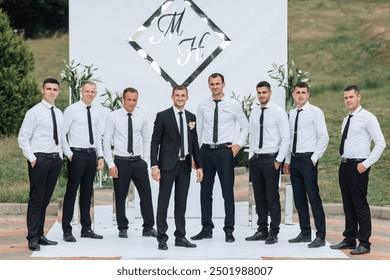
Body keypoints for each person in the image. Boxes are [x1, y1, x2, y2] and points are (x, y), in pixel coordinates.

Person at [191, 73, 248, 243]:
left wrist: (238, 144)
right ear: (209, 85)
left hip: (224, 152)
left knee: (227, 192)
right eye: (212, 84)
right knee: (205, 192)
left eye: (217, 83)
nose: (215, 87)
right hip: (206, 151)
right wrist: (196, 155)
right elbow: (199, 130)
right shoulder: (203, 105)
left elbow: (244, 126)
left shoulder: (233, 105)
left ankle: (229, 230)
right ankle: (206, 228)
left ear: (224, 84)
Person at [330, 85, 386, 255]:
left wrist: (365, 164)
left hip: (358, 167)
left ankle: (364, 242)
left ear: (358, 97)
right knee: (348, 205)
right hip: (345, 165)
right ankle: (349, 239)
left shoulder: (368, 117)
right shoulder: (347, 119)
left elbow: (381, 143)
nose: (348, 100)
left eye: (351, 97)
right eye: (346, 97)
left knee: (359, 204)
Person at [150, 85, 203, 250]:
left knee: (181, 203)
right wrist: (154, 165)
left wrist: (199, 166)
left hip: (185, 165)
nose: (180, 98)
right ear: (172, 97)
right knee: (163, 203)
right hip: (167, 165)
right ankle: (162, 237)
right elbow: (155, 142)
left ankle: (180, 236)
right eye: (177, 95)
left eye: (183, 95)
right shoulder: (162, 116)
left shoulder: (191, 117)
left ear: (187, 97)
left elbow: (194, 143)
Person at [103, 87, 157, 238]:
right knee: (121, 196)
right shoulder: (113, 117)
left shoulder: (142, 116)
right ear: (123, 99)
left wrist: (145, 161)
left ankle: (148, 227)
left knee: (146, 194)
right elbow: (106, 141)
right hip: (121, 162)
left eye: (134, 100)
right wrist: (111, 164)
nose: (132, 103)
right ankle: (122, 227)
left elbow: (147, 139)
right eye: (129, 100)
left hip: (138, 161)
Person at [18, 78, 64, 251]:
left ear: (58, 92)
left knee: (45, 199)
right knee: (37, 199)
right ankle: (32, 237)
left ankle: (40, 234)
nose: (52, 92)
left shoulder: (59, 113)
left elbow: (61, 137)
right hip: (40, 160)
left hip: (54, 160)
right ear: (42, 90)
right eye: (49, 89)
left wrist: (60, 155)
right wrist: (32, 158)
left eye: (55, 89)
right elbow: (23, 137)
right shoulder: (34, 112)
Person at [283, 81, 329, 248]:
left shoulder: (315, 112)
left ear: (308, 94)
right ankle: (305, 232)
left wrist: (314, 158)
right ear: (293, 95)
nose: (300, 95)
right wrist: (287, 160)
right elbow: (289, 138)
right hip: (295, 160)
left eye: (303, 92)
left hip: (308, 160)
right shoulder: (292, 113)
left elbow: (323, 136)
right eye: (298, 92)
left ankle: (321, 235)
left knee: (313, 197)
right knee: (299, 198)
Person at [245, 81, 290, 245]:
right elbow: (252, 134)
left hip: (271, 159)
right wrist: (251, 157)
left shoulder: (278, 112)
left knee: (272, 197)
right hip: (256, 159)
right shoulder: (254, 112)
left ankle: (274, 231)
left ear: (270, 93)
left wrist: (279, 160)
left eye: (264, 92)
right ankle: (262, 229)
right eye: (259, 93)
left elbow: (286, 137)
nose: (261, 95)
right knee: (259, 196)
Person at [61, 81, 104, 242]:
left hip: (91, 155)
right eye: (87, 91)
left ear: (95, 93)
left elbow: (98, 136)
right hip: (76, 155)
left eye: (93, 91)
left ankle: (86, 228)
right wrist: (69, 154)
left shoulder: (96, 112)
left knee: (87, 193)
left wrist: (100, 156)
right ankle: (67, 230)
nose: (90, 94)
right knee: (71, 192)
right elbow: (62, 133)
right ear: (81, 91)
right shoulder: (71, 110)